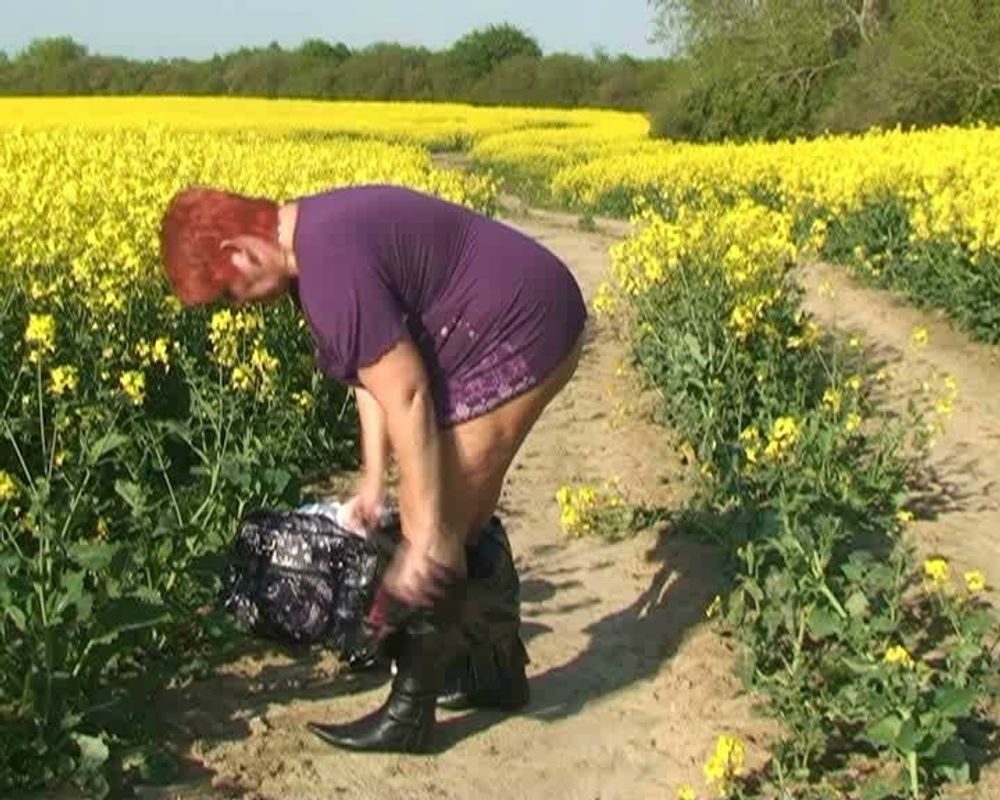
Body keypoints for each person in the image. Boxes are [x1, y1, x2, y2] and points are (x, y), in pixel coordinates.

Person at [158, 182, 588, 753]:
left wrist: (424, 533)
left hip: (526, 324)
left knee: (435, 521)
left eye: (228, 292)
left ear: (240, 251)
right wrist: (369, 481)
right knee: (439, 510)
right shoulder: (312, 248)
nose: (238, 304)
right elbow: (372, 374)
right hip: (512, 310)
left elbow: (407, 392)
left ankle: (411, 716)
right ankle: (495, 673)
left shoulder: (328, 264)